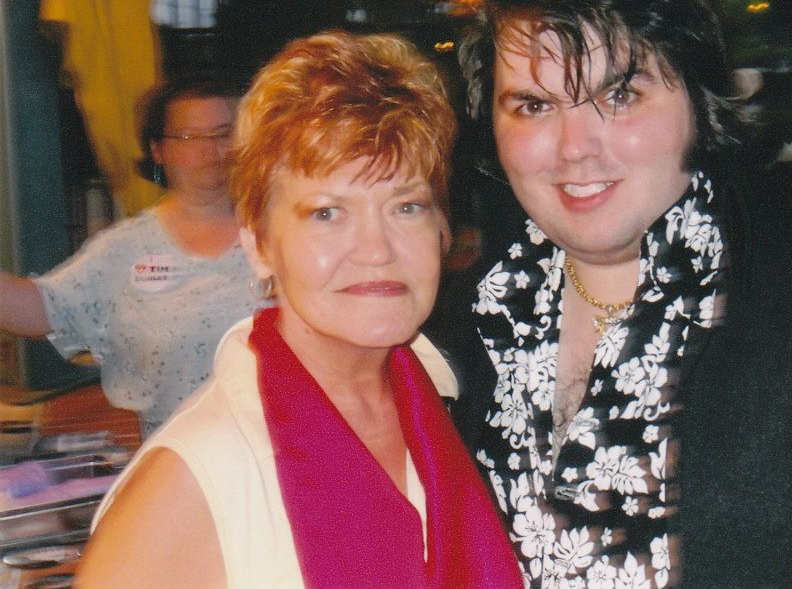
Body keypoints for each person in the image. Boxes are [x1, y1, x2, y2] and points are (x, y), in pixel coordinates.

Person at [429, 0, 792, 587]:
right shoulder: (455, 324)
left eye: (619, 95)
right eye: (534, 106)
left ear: (698, 104)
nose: (574, 147)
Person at [75, 31, 523, 589]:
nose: (377, 249)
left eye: (406, 206)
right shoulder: (194, 479)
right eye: (327, 213)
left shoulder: (457, 399)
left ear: (442, 231)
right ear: (259, 244)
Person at [0, 75, 268, 437]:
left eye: (223, 134)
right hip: (172, 453)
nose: (210, 151)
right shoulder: (125, 249)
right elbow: (43, 309)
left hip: (285, 448)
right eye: (189, 137)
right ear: (158, 150)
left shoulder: (282, 232)